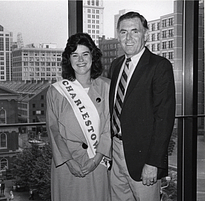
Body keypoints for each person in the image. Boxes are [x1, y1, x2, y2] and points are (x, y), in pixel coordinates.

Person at [108, 11, 176, 201]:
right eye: (123, 32)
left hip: (143, 158)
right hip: (116, 152)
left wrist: (153, 162)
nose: (128, 38)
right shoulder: (115, 66)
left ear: (145, 34)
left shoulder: (159, 66)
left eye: (134, 31)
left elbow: (164, 118)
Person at [46, 32, 112, 201]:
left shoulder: (107, 87)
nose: (80, 60)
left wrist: (96, 160)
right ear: (69, 59)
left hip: (96, 162)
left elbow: (108, 128)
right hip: (67, 165)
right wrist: (69, 161)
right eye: (75, 55)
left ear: (93, 57)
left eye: (85, 54)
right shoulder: (56, 91)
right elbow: (54, 130)